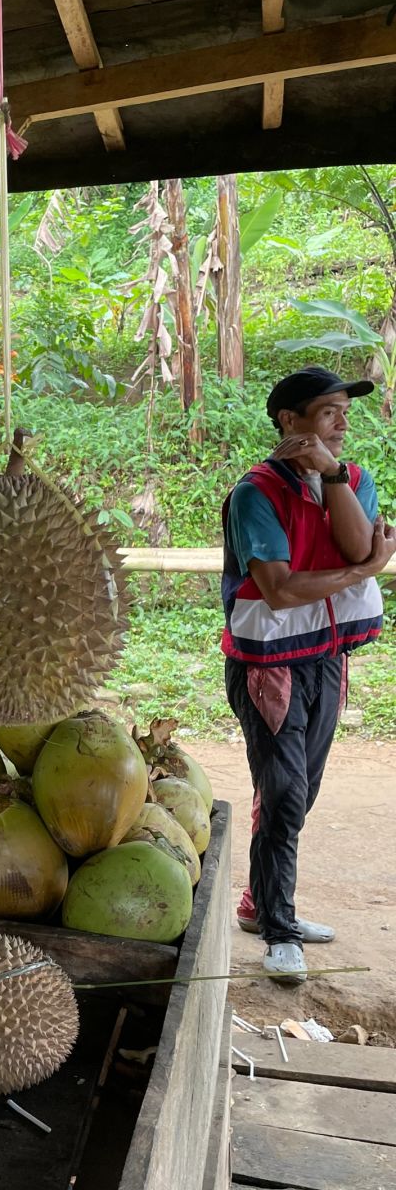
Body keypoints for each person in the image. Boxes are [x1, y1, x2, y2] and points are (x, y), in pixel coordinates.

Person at [221, 366, 396, 984]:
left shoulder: (355, 481)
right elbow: (280, 588)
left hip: (327, 662)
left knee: (297, 794)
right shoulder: (256, 495)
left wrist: (330, 476)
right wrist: (364, 573)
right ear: (289, 423)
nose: (342, 423)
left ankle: (257, 904)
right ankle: (279, 929)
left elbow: (354, 548)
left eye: (345, 411)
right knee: (286, 795)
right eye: (327, 413)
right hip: (268, 668)